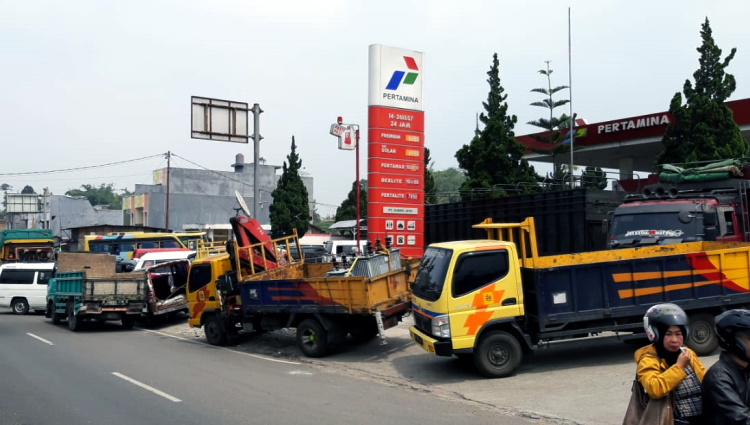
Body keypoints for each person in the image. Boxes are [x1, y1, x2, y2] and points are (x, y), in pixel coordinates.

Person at [635, 303, 706, 425]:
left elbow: (704, 379)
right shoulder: (648, 359)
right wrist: (679, 367)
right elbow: (654, 389)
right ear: (655, 334)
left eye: (678, 334)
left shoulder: (687, 353)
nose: (674, 339)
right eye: (668, 334)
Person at [702, 309, 750, 425]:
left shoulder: (746, 368)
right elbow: (741, 419)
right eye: (749, 338)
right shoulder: (719, 377)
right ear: (733, 341)